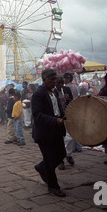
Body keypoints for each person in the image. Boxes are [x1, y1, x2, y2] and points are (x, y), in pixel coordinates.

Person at [32, 69, 67, 197]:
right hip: (44, 132)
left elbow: (57, 109)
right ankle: (53, 186)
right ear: (44, 80)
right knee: (49, 159)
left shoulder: (54, 93)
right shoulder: (38, 94)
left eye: (55, 79)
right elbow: (37, 115)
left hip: (56, 130)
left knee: (61, 153)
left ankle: (42, 167)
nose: (54, 82)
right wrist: (54, 120)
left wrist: (64, 117)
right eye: (51, 79)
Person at [56, 75, 75, 170]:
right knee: (58, 139)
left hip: (67, 115)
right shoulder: (53, 92)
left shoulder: (66, 89)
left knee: (70, 137)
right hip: (57, 117)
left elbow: (72, 102)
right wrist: (59, 100)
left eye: (61, 83)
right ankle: (60, 159)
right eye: (58, 84)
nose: (60, 86)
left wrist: (68, 99)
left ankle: (68, 154)